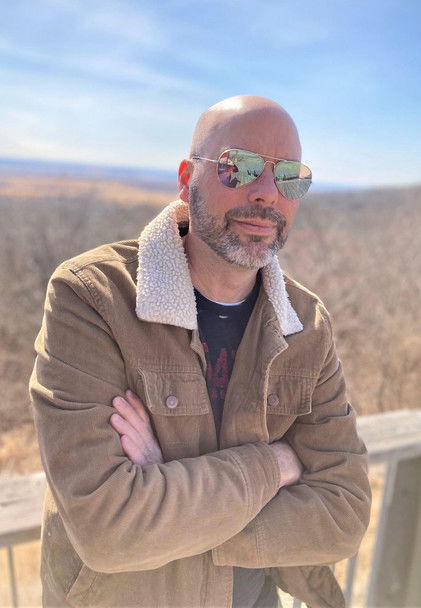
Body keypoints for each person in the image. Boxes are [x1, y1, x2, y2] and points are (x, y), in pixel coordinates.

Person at [30, 95, 371, 608]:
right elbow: (108, 530)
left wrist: (163, 480)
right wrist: (276, 466)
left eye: (289, 177)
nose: (266, 192)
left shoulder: (306, 325)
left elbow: (343, 516)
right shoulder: (95, 297)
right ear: (187, 179)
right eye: (240, 167)